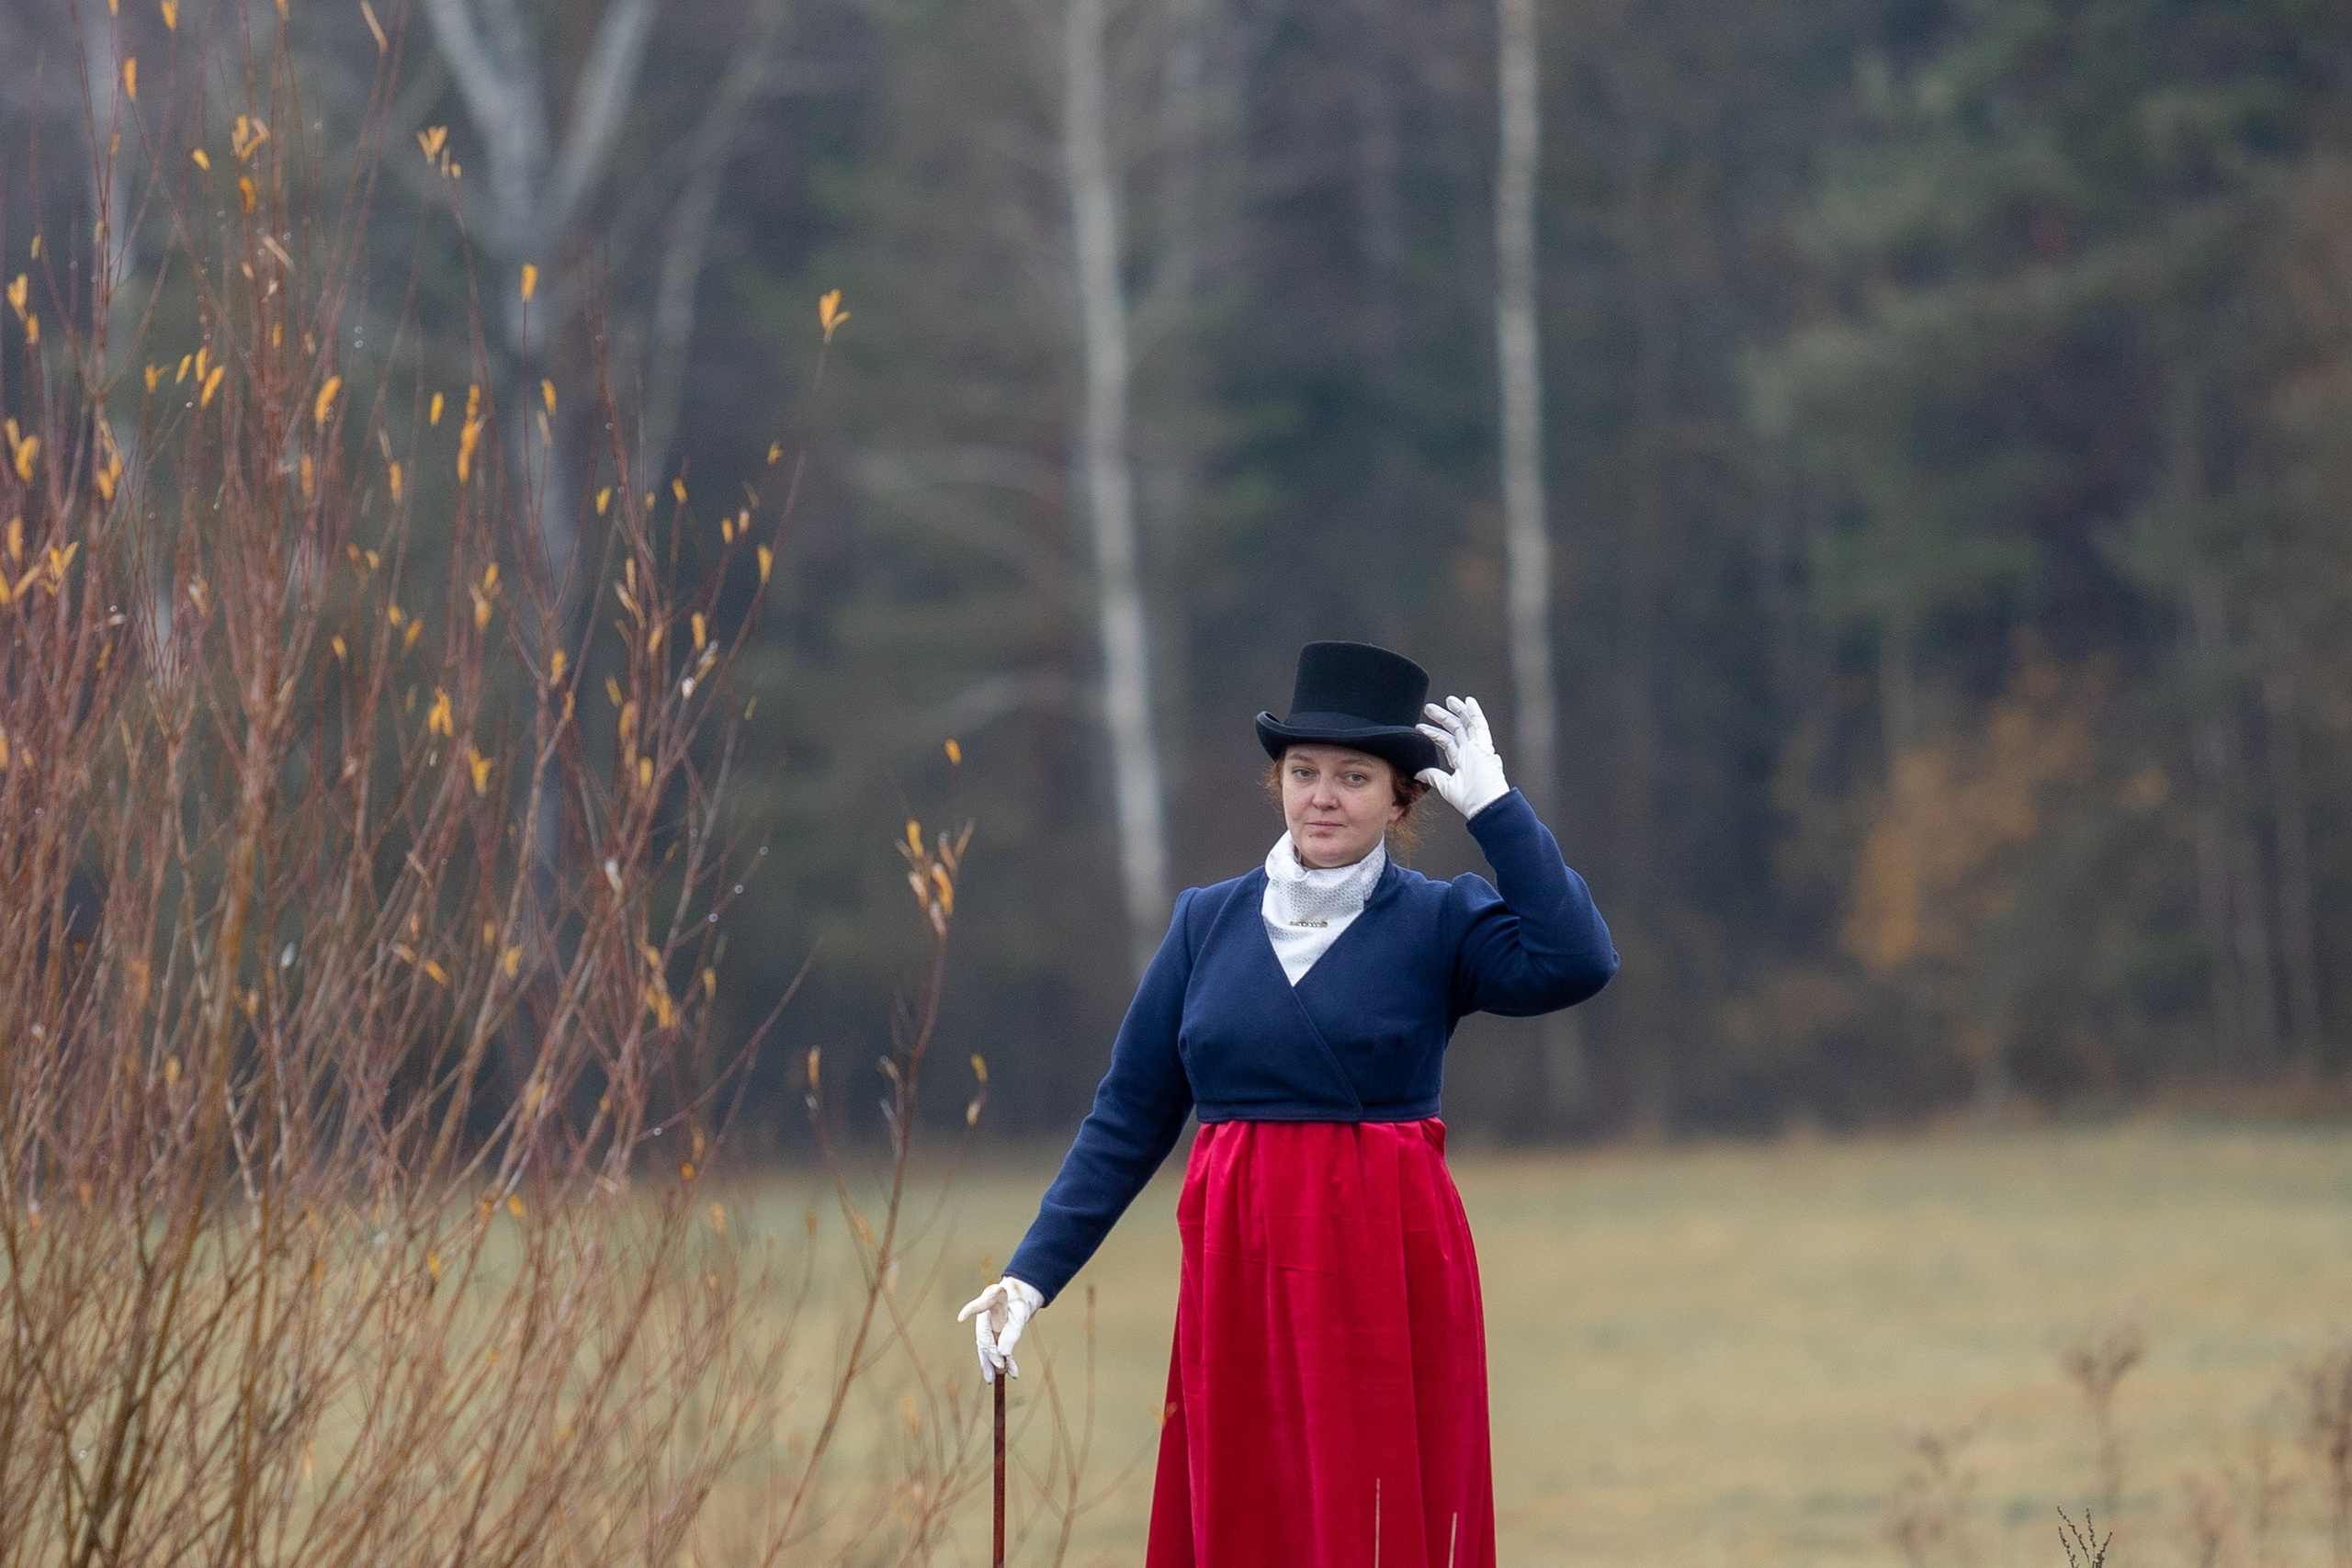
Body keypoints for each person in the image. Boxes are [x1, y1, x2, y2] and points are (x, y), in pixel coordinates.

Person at [957, 640, 1617, 1568]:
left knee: (1377, 1519)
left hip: (1386, 1271)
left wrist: (1500, 814)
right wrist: (1031, 1277)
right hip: (1241, 1272)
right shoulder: (1205, 924)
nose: (1323, 795)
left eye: (1355, 776)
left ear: (1403, 798)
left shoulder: (1439, 923)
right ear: (1277, 783)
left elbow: (1577, 960)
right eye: (1304, 771)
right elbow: (1129, 1118)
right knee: (1247, 1518)